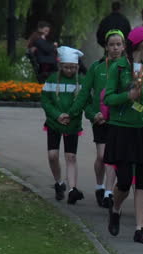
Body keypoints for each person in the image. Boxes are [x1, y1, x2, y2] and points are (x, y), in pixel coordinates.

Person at [103, 26, 143, 244]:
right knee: (125, 181)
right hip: (122, 129)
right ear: (140, 45)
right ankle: (116, 209)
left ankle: (140, 228)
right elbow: (108, 98)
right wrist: (128, 95)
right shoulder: (118, 68)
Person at [68, 29, 125, 208]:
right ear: (106, 47)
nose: (115, 48)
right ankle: (100, 186)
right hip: (100, 119)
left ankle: (109, 193)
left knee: (112, 157)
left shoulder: (128, 68)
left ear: (123, 47)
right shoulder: (97, 67)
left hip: (119, 121)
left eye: (118, 45)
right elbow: (84, 94)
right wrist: (87, 114)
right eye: (111, 45)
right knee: (101, 156)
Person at [40, 46, 85, 204]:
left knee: (71, 156)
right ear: (60, 66)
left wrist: (71, 115)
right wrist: (57, 115)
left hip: (72, 124)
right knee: (52, 155)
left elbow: (84, 100)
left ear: (77, 66)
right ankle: (59, 183)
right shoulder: (52, 79)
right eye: (66, 67)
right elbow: (45, 100)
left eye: (73, 67)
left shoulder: (81, 81)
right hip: (54, 123)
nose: (69, 70)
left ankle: (72, 189)